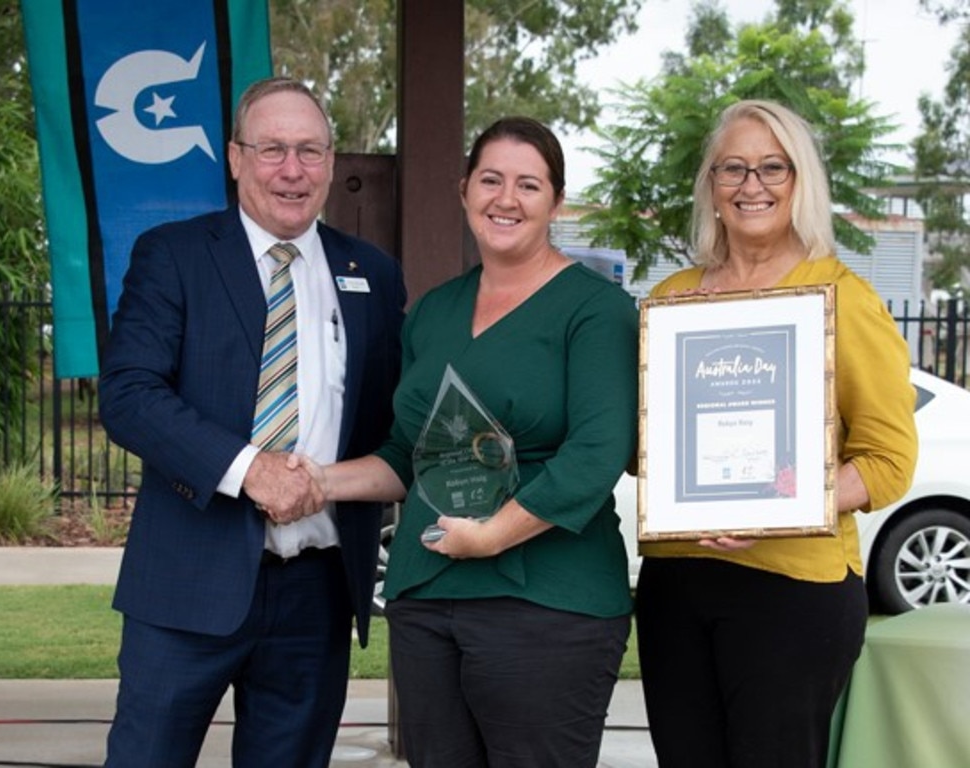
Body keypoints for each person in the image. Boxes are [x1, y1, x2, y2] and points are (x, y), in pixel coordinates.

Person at [289, 116, 639, 767]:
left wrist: (492, 536)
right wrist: (317, 480)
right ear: (463, 190)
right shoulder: (433, 312)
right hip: (428, 595)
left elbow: (596, 455)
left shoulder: (597, 310)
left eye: (528, 185)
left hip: (548, 602)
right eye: (491, 180)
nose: (506, 199)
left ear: (555, 201)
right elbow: (405, 454)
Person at [97, 77, 406, 768]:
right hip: (187, 580)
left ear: (331, 162)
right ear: (236, 158)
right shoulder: (173, 254)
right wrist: (252, 471)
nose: (291, 170)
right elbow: (128, 393)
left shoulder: (374, 276)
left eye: (309, 150)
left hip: (317, 591)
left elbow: (392, 427)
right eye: (272, 149)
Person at [634, 99, 918, 768]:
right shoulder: (671, 299)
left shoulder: (843, 296)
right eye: (732, 168)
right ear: (711, 185)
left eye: (772, 167)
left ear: (801, 182)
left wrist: (777, 509)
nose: (751, 185)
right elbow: (645, 446)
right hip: (677, 584)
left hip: (794, 592)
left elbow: (887, 460)